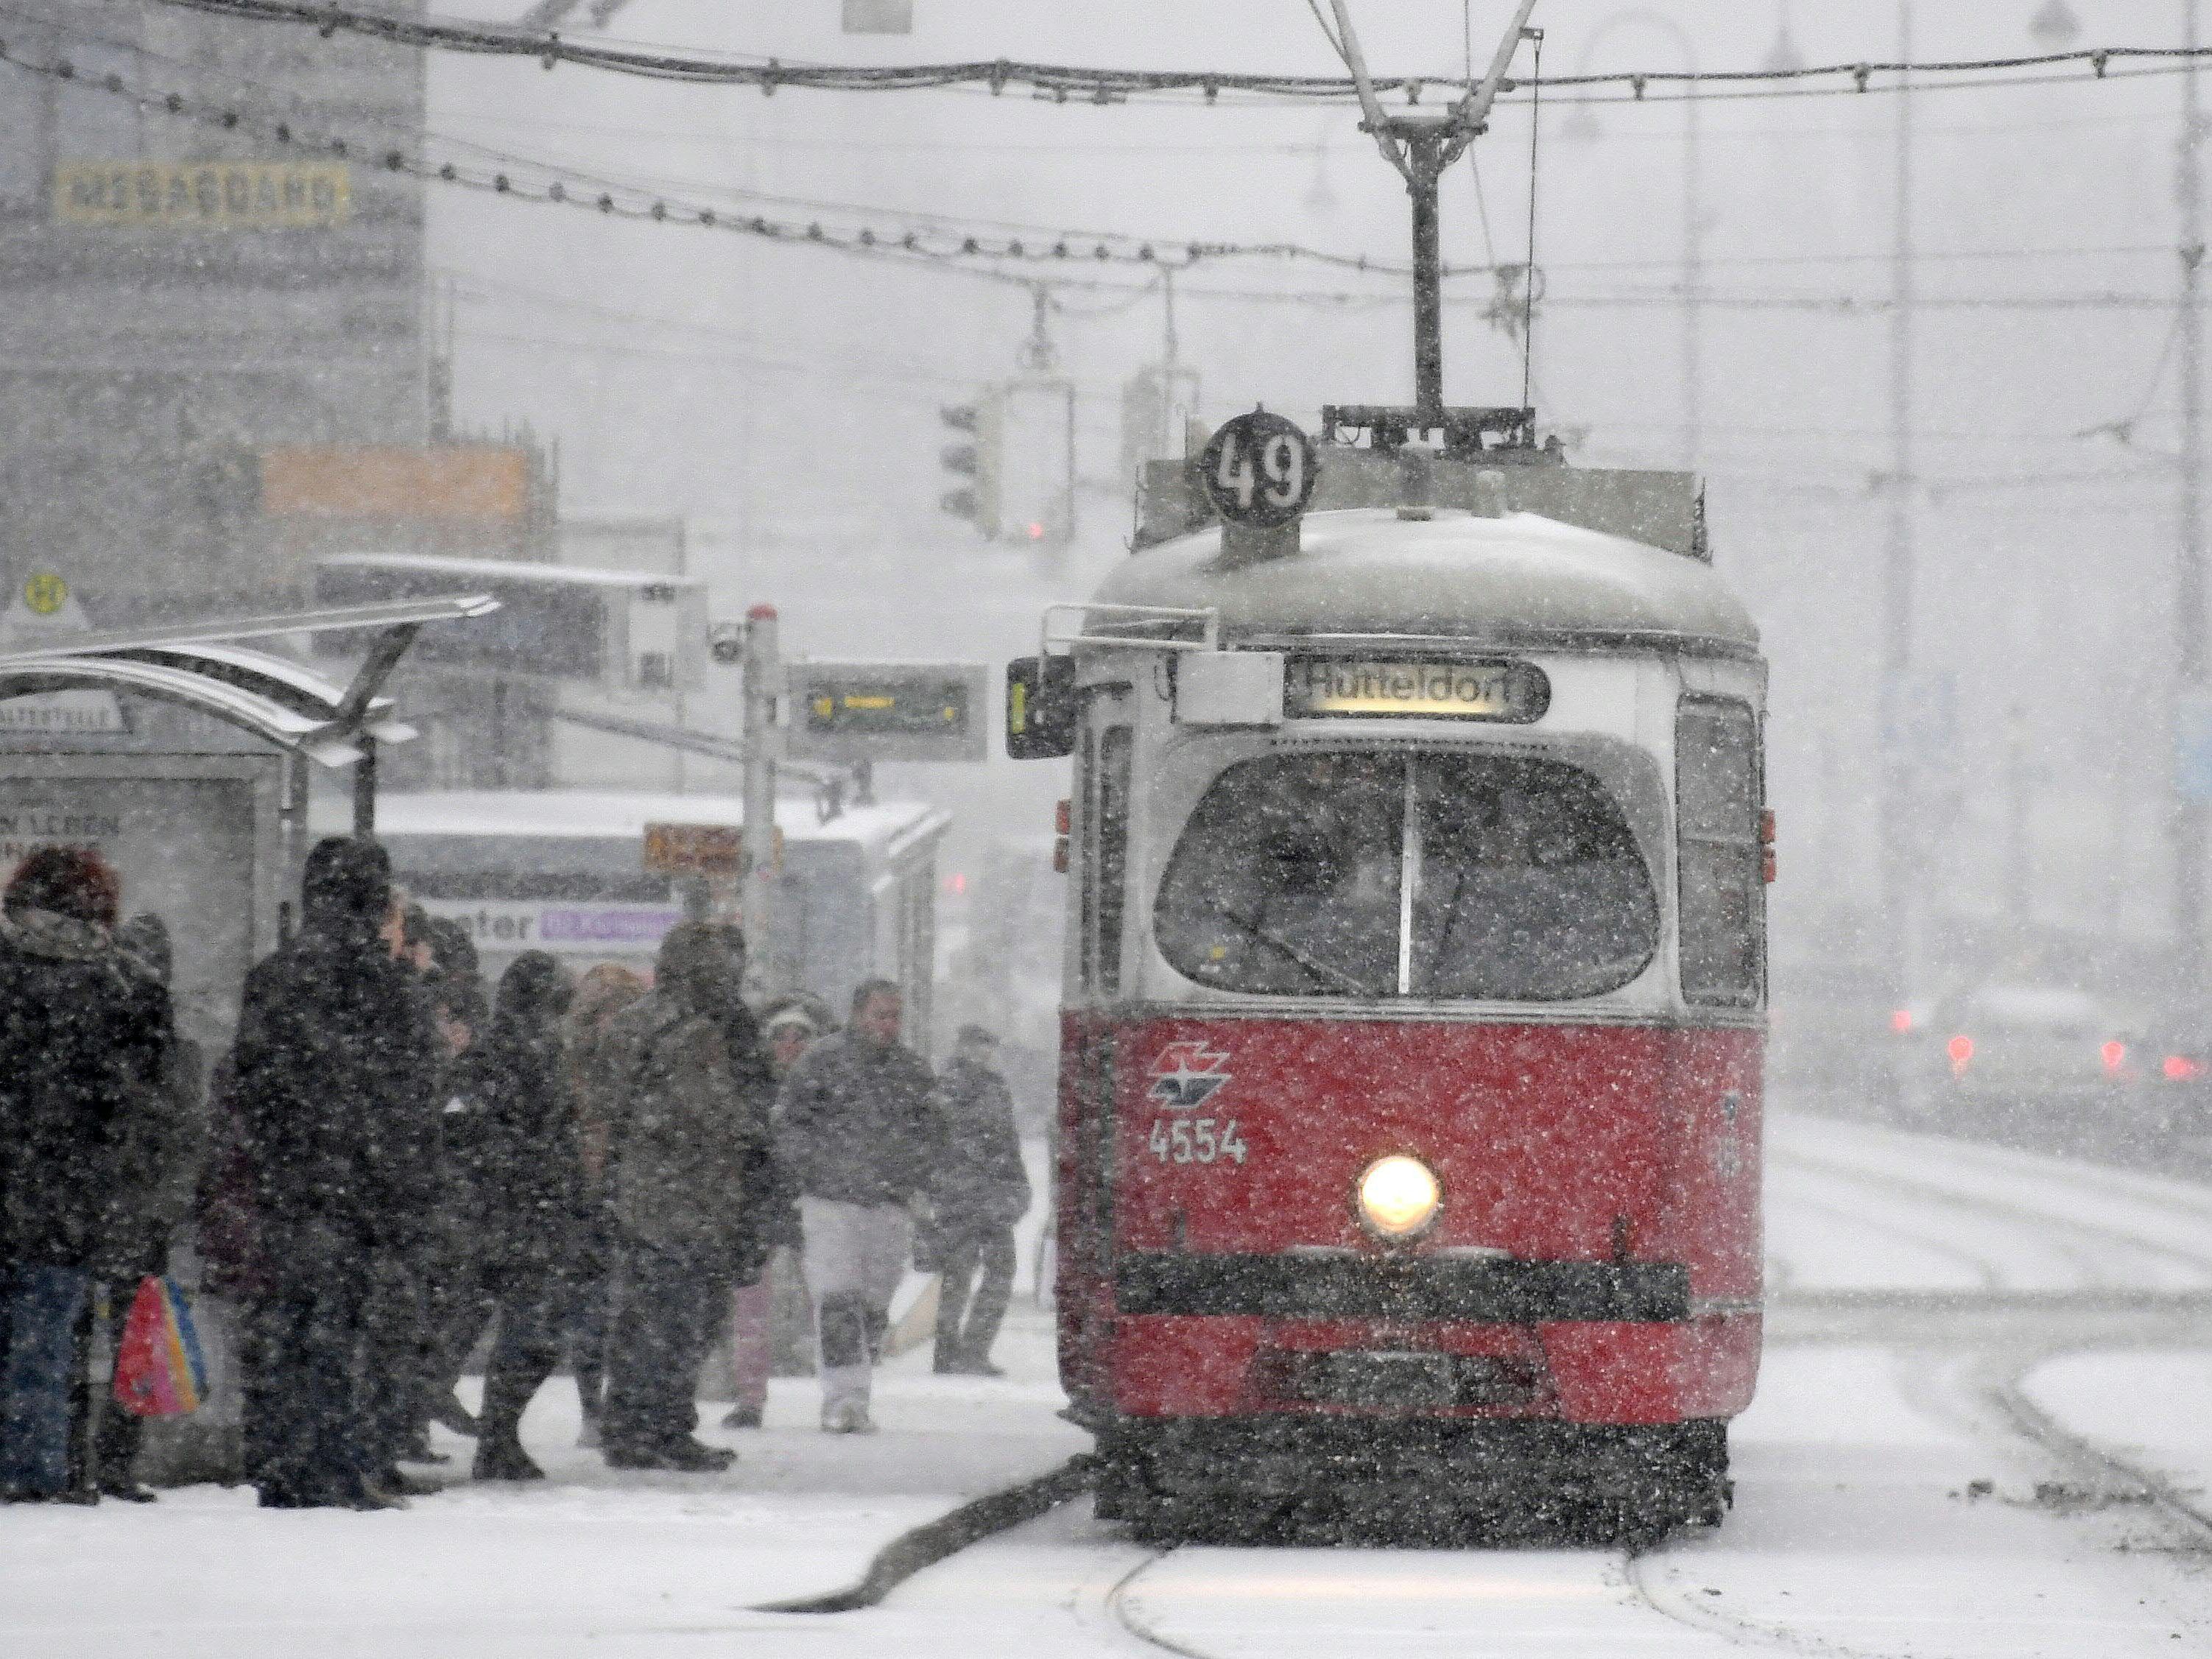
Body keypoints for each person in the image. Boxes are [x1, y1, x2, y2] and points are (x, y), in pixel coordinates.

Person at [230, 836, 438, 1510]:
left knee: (285, 1322)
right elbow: (411, 1099)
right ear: (375, 903)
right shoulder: (391, 987)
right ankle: (333, 1461)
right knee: (344, 1327)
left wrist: (278, 1154)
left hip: (291, 1181)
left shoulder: (274, 976)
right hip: (364, 1185)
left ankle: (281, 1461)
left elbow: (251, 1083)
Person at [0, 848, 169, 1504]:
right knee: (44, 1355)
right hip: (65, 1205)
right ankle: (34, 1476)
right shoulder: (126, 985)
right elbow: (145, 1103)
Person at [598, 923, 774, 1471]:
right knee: (682, 1320)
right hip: (690, 1196)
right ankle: (663, 1427)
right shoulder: (702, 1031)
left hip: (641, 1192)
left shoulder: (632, 1023)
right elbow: (713, 1113)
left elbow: (608, 1099)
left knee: (644, 1318)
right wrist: (756, 1126)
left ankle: (629, 1424)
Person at [777, 979, 943, 1434]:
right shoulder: (822, 1063)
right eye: (879, 1015)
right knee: (837, 1296)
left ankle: (856, 1379)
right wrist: (813, 1167)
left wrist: (914, 1175)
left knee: (873, 1301)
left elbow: (934, 1130)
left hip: (888, 1205)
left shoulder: (912, 1071)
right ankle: (844, 1398)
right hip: (830, 1202)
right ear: (857, 1015)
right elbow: (790, 1123)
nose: (888, 1026)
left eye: (894, 1016)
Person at [87, 914, 208, 1501]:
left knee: (106, 1339)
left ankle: (91, 1459)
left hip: (103, 1211)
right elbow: (186, 1139)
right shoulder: (174, 1054)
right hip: (127, 1213)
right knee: (127, 1343)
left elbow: (186, 1140)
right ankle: (108, 1459)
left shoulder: (99, 1041)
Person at [451, 952, 585, 1482]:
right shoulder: (515, 1052)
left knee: (511, 1325)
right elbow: (475, 1129)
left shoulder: (509, 1049)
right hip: (519, 1210)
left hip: (508, 1209)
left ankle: (495, 1432)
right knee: (531, 1327)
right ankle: (497, 1433)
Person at [721, 1000, 819, 1429]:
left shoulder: (823, 1091)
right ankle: (750, 1397)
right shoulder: (751, 1087)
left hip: (810, 1203)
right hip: (758, 1206)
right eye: (782, 1037)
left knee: (829, 1302)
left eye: (800, 1038)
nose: (790, 1046)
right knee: (750, 1307)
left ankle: (840, 1395)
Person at [565, 963, 648, 1449]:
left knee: (630, 1309)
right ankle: (592, 1407)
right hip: (586, 1196)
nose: (613, 1023)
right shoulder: (572, 1068)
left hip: (634, 1194)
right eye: (605, 1012)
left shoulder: (642, 1066)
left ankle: (619, 1404)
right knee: (590, 1310)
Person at [929, 1024, 1030, 1378]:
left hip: (985, 1195)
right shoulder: (953, 1089)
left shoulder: (986, 1088)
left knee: (981, 1272)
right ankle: (959, 1350)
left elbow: (1007, 1146)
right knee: (969, 1272)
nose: (986, 1054)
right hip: (969, 1195)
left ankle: (961, 1350)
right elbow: (951, 1143)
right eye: (980, 1046)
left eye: (988, 1047)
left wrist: (1017, 1186)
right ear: (964, 1047)